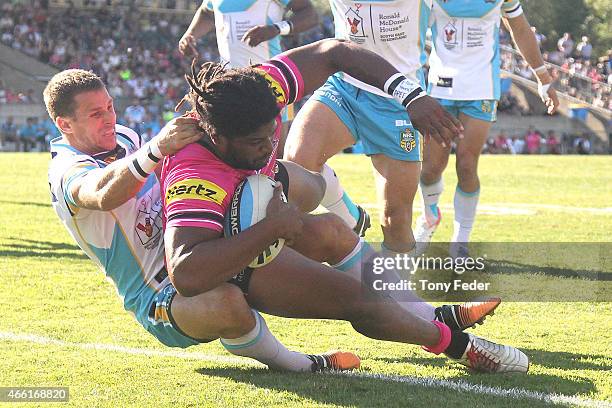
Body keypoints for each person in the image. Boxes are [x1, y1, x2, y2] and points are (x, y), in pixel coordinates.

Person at [161, 39, 528, 373]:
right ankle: (457, 345)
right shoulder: (195, 175)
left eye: (272, 131)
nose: (269, 145)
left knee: (329, 220)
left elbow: (335, 52)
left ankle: (423, 307)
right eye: (257, 141)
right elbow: (187, 274)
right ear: (218, 137)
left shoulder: (258, 89)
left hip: (256, 207)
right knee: (358, 300)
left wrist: (411, 95)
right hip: (227, 259)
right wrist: (272, 228)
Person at [45, 69, 359, 373]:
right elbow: (100, 194)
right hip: (158, 294)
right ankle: (300, 364)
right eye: (95, 113)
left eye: (110, 107)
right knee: (226, 303)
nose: (110, 118)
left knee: (323, 228)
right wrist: (155, 149)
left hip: (198, 244)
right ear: (64, 124)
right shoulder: (66, 170)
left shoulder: (124, 136)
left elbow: (167, 174)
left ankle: (388, 285)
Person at [284, 0, 463, 253]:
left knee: (395, 220)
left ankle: (394, 290)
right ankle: (351, 220)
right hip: (344, 85)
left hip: (399, 101)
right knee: (297, 162)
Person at [415, 0, 560, 257]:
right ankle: (429, 215)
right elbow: (411, 31)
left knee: (467, 164)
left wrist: (543, 77)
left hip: (481, 88)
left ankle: (461, 240)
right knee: (430, 169)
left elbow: (521, 29)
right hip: (440, 87)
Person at [178, 0, 319, 151]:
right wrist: (190, 34)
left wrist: (277, 28)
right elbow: (207, 12)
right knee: (232, 152)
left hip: (271, 82)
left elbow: (310, 15)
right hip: (230, 85)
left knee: (276, 153)